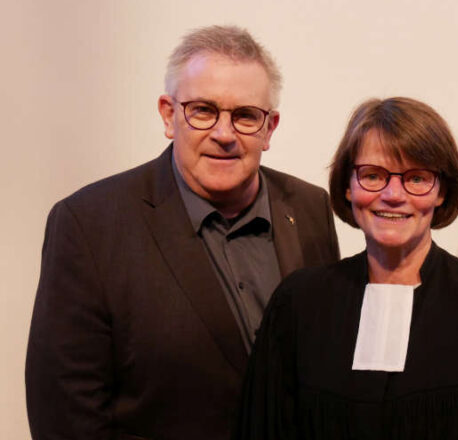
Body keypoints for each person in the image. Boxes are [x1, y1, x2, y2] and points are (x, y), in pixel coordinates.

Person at [26, 25, 339, 440]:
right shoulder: (89, 225)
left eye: (245, 115)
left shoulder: (309, 207)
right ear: (169, 115)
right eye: (203, 110)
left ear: (270, 128)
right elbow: (65, 416)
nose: (224, 134)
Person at [237, 97, 458, 439]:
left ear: (441, 192)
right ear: (347, 186)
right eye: (373, 175)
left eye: (417, 178)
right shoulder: (299, 304)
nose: (393, 194)